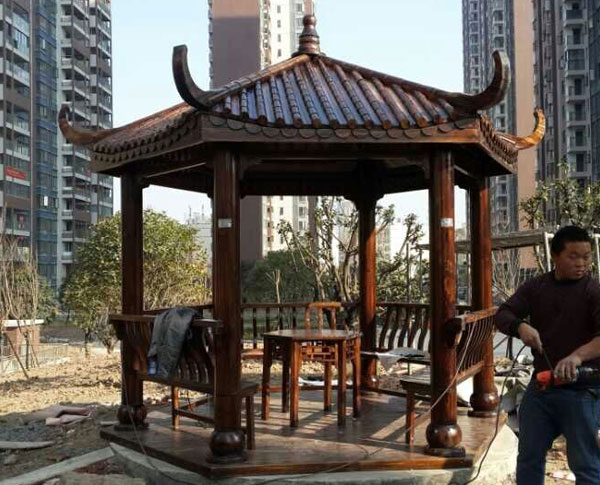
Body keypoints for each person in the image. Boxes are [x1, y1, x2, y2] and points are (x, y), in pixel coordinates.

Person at [495, 225, 600, 485]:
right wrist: (520, 326)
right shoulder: (536, 287)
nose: (581, 263)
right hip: (542, 386)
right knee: (528, 457)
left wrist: (577, 356)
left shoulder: (593, 291)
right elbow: (503, 313)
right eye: (573, 256)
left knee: (585, 464)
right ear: (554, 256)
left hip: (581, 390)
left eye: (586, 256)